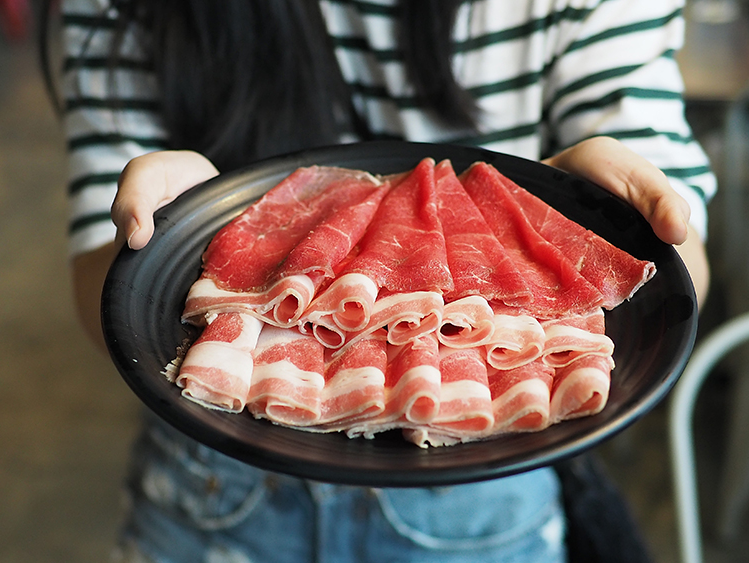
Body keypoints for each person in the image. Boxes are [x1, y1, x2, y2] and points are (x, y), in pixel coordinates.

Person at [46, 1, 714, 561]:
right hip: (213, 480)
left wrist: (609, 220)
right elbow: (96, 291)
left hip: (483, 476)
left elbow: (683, 273)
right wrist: (164, 242)